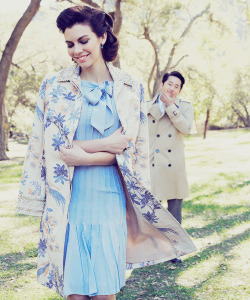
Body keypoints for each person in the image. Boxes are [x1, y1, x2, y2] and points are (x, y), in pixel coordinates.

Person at [17, 6, 196, 299]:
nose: (76, 50)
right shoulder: (54, 86)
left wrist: (83, 155)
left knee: (105, 294)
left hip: (110, 200)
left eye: (83, 41)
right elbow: (52, 146)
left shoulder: (130, 87)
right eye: (70, 44)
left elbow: (133, 151)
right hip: (69, 201)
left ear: (101, 37)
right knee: (74, 294)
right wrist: (105, 144)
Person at [147, 71, 194, 257]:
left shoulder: (184, 107)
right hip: (152, 164)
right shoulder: (146, 106)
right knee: (152, 211)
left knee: (174, 212)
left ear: (180, 90)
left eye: (177, 86)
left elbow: (186, 128)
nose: (172, 88)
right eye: (170, 84)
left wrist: (171, 107)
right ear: (162, 84)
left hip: (173, 165)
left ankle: (176, 250)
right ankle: (154, 250)